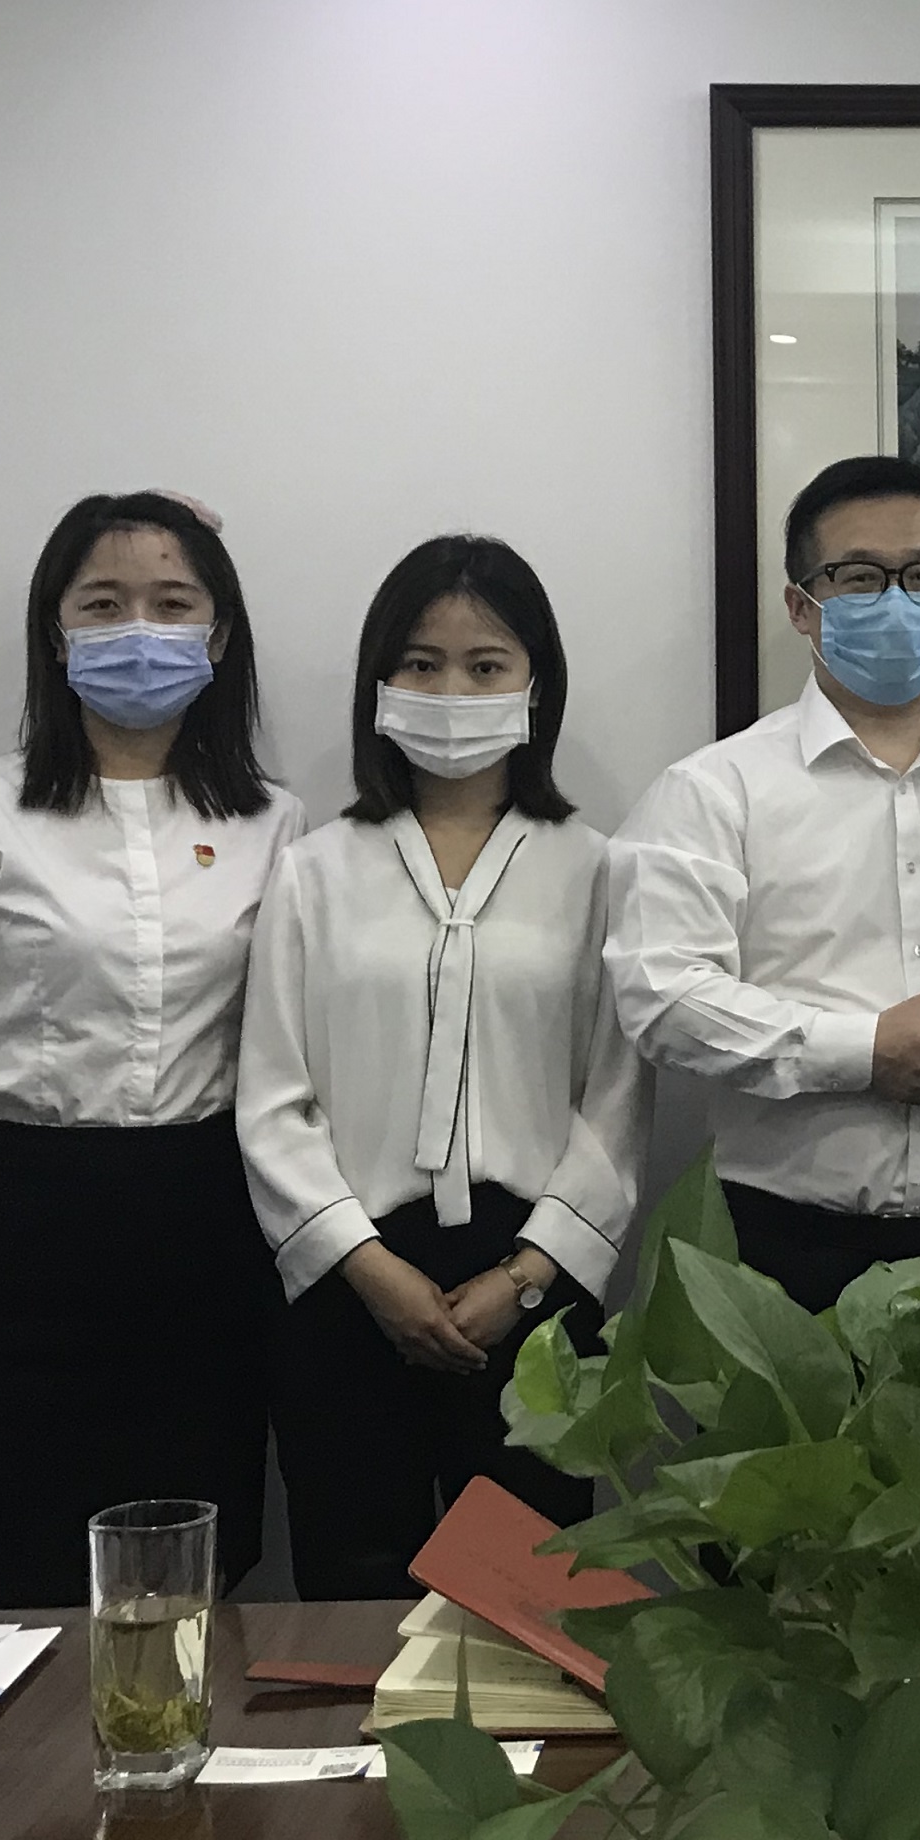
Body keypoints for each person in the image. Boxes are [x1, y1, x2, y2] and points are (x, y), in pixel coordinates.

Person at [0, 491, 303, 1606]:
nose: (138, 628)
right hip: (21, 1225)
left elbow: (291, 1048)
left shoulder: (273, 823)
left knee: (185, 1577)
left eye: (172, 603)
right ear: (56, 633)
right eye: (103, 603)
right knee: (17, 1568)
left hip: (206, 1222)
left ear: (219, 636)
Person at [235, 537, 654, 1598]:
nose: (452, 692)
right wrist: (369, 1269)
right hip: (349, 1277)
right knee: (352, 1587)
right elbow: (273, 1098)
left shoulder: (597, 869)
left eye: (485, 665)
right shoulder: (315, 870)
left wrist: (526, 1277)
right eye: (421, 664)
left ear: (535, 685)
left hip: (532, 1279)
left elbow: (615, 1099)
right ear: (379, 684)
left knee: (529, 1602)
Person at [607, 456, 920, 1313]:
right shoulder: (714, 791)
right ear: (801, 606)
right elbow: (660, 994)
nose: (897, 599)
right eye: (860, 577)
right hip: (782, 1252)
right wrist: (858, 1052)